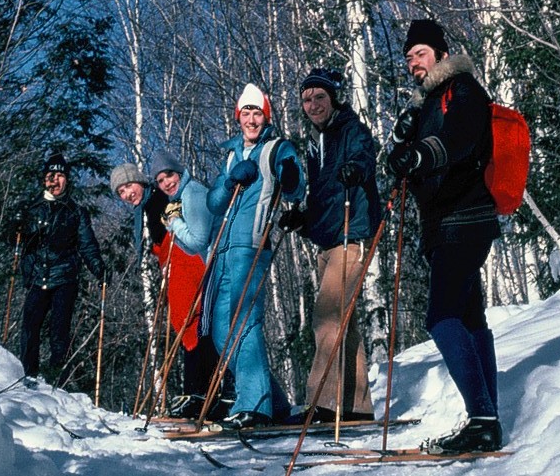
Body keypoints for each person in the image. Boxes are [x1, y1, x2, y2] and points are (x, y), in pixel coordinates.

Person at [386, 19, 503, 452]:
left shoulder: (463, 88)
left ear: (439, 52)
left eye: (420, 53)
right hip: (443, 223)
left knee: (442, 317)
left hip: (465, 217)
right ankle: (486, 418)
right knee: (470, 318)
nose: (414, 62)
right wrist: (401, 159)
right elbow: (405, 161)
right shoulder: (424, 104)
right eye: (409, 57)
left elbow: (463, 141)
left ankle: (483, 418)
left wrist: (418, 154)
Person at [280, 68, 379, 423]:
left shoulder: (349, 130)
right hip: (329, 238)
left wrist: (355, 168)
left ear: (334, 97)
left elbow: (365, 158)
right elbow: (325, 198)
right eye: (306, 100)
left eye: (319, 97)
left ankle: (322, 402)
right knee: (343, 323)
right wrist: (303, 219)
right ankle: (355, 406)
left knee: (326, 319)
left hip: (351, 236)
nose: (312, 105)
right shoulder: (316, 142)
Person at [205, 83, 306, 429]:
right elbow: (215, 204)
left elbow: (295, 187)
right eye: (246, 112)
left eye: (257, 112)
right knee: (221, 332)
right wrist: (229, 181)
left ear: (267, 116)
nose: (251, 119)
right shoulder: (232, 154)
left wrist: (290, 175)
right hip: (224, 249)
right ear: (238, 117)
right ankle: (272, 402)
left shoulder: (276, 148)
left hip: (252, 246)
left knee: (245, 324)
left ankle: (255, 406)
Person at [111, 155, 225, 420]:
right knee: (185, 324)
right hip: (173, 267)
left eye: (128, 186)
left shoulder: (159, 200)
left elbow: (182, 229)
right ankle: (199, 393)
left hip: (186, 263)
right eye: (120, 192)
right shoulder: (146, 208)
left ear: (139, 181)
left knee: (191, 323)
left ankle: (201, 393)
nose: (127, 194)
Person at [16, 153, 106, 386]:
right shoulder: (31, 208)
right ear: (44, 179)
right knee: (29, 327)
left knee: (59, 330)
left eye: (60, 176)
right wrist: (17, 230)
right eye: (50, 176)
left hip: (65, 276)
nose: (55, 181)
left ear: (67, 180)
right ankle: (27, 376)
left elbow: (87, 245)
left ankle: (58, 382)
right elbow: (13, 239)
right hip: (37, 276)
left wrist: (99, 268)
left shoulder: (75, 212)